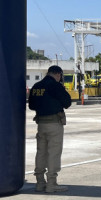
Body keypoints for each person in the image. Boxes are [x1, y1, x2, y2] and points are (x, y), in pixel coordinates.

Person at [28, 65, 72, 193]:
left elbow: (31, 105)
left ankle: (40, 183)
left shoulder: (36, 86)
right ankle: (52, 183)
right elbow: (67, 102)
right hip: (54, 124)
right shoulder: (55, 86)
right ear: (58, 74)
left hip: (41, 124)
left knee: (41, 152)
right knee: (53, 153)